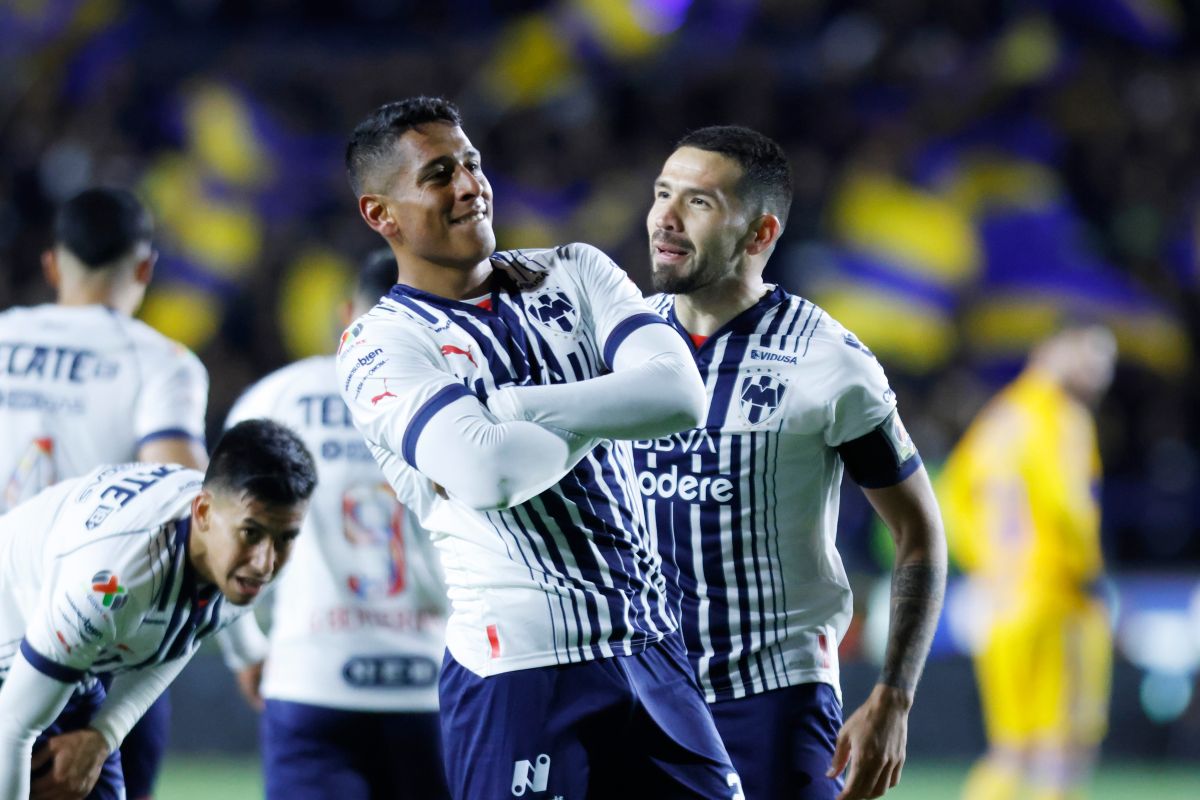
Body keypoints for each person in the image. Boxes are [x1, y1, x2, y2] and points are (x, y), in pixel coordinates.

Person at [338, 96, 743, 799]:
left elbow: (680, 396)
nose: (469, 186)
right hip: (523, 671)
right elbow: (488, 472)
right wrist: (609, 404)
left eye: (471, 163)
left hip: (651, 647)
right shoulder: (379, 344)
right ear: (382, 215)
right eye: (438, 175)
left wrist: (519, 407)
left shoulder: (574, 271)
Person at [632, 125, 947, 800]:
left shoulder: (828, 362)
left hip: (770, 702)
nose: (665, 216)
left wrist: (894, 698)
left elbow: (919, 532)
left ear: (759, 234)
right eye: (662, 194)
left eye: (699, 202)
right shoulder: (620, 344)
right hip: (638, 696)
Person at [0, 186, 210, 800]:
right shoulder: (160, 362)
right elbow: (183, 498)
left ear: (52, 264)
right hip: (96, 629)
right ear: (145, 268)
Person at [217, 249, 450, 799]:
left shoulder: (274, 399)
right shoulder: (459, 403)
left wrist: (246, 648)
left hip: (310, 675)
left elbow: (220, 544)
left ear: (349, 314)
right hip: (433, 682)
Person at [0, 419, 316, 800]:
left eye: (286, 538)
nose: (265, 562)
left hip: (57, 634)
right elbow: (13, 726)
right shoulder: (114, 580)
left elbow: (179, 638)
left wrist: (103, 736)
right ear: (202, 512)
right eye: (251, 533)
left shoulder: (241, 553)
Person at [938, 322, 1117, 800]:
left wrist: (987, 564)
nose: (1101, 372)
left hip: (1000, 600)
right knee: (1065, 747)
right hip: (1056, 596)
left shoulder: (1000, 418)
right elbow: (1069, 506)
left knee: (1011, 748)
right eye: (1092, 356)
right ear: (1054, 350)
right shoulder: (1062, 418)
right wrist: (1091, 574)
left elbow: (952, 499)